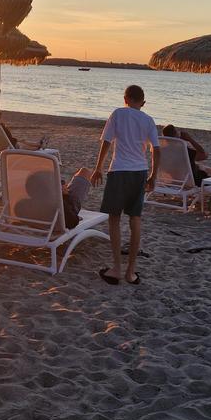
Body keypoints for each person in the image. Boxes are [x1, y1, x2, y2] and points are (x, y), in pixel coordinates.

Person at [90, 84, 161, 286]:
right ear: (143, 102)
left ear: (125, 99)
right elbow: (157, 150)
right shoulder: (148, 120)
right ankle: (130, 272)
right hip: (139, 172)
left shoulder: (118, 114)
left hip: (119, 170)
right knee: (135, 218)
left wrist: (98, 168)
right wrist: (154, 176)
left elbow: (106, 142)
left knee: (114, 218)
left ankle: (117, 269)